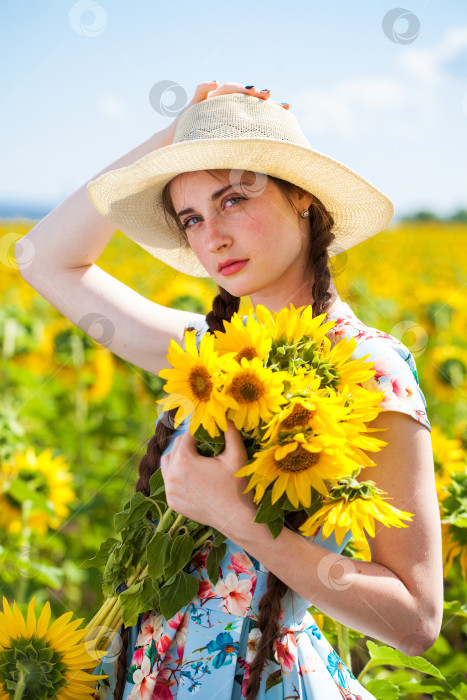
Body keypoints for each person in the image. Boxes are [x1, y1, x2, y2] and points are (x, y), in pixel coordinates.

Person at [16, 82, 444, 700]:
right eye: (191, 217)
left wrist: (238, 519)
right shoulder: (205, 352)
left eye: (234, 199)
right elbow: (43, 257)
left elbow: (416, 620)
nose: (211, 236)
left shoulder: (369, 368)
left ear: (302, 196)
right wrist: (180, 133)